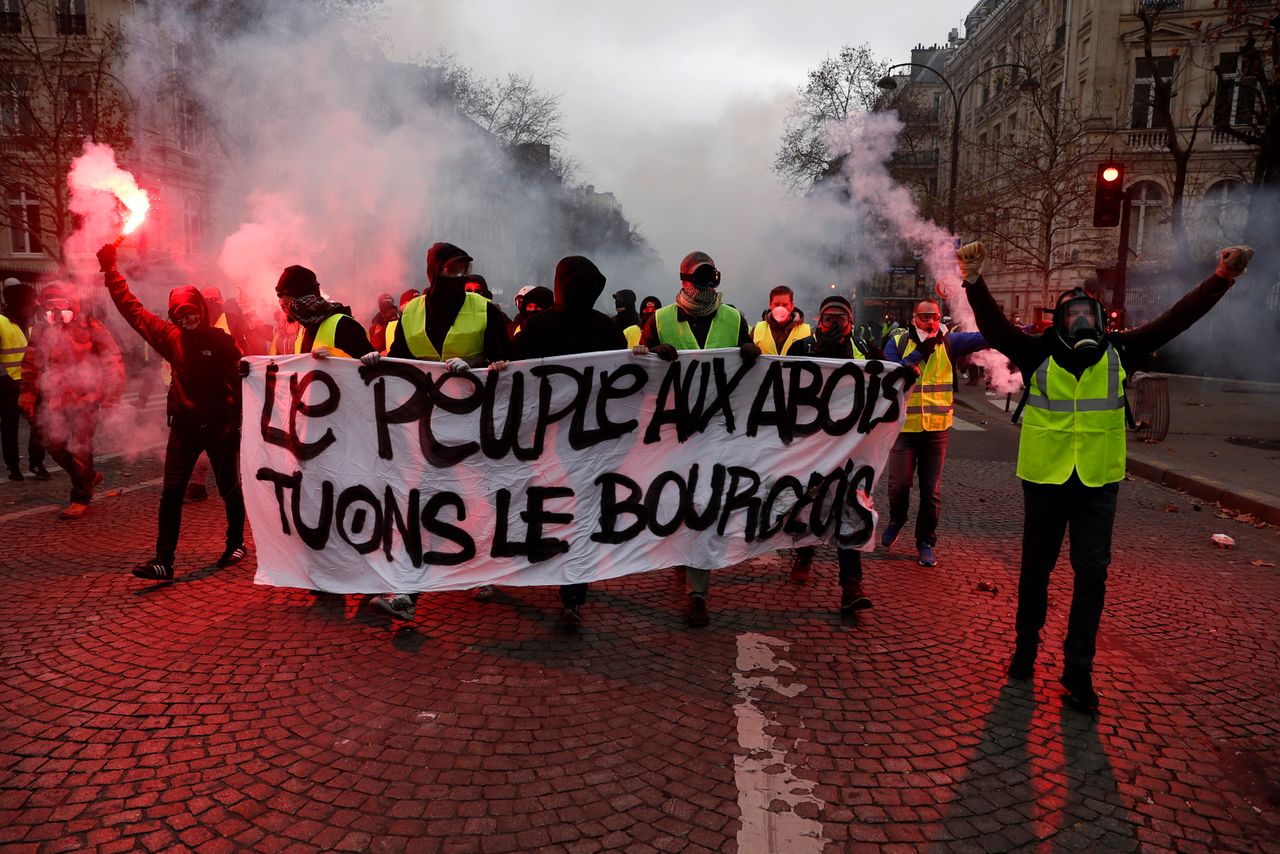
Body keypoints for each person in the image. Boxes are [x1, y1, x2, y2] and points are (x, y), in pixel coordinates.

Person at [962, 240, 1255, 713]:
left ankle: (1078, 671)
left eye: (1089, 313)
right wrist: (973, 280)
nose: (1081, 320)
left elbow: (1177, 319)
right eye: (1072, 312)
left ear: (1102, 320)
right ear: (1057, 319)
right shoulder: (1037, 351)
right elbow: (994, 328)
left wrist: (1221, 279)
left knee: (1091, 576)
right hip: (1044, 479)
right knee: (1036, 572)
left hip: (1097, 481)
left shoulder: (1123, 350)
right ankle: (1025, 650)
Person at [373, 242, 514, 619]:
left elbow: (510, 363)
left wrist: (473, 364)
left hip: (476, 425)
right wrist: (376, 363)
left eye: (464, 269)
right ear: (435, 272)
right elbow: (402, 359)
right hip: (428, 425)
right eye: (451, 270)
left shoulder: (485, 309)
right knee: (421, 504)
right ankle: (407, 592)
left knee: (481, 501)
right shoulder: (412, 311)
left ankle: (486, 568)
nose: (459, 277)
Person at [96, 244, 248, 580]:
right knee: (171, 493)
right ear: (173, 316)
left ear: (201, 310)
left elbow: (241, 382)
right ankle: (164, 560)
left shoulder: (221, 341)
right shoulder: (169, 336)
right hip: (184, 427)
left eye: (191, 312)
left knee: (228, 487)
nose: (187, 318)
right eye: (180, 314)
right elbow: (132, 310)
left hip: (219, 426)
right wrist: (110, 273)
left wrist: (235, 424)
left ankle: (236, 542)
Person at [635, 250, 760, 627]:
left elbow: (752, 367)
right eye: (697, 280)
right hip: (673, 432)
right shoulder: (658, 320)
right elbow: (634, 369)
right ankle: (684, 561)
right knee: (678, 503)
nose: (704, 288)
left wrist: (753, 352)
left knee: (703, 507)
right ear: (683, 280)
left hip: (719, 430)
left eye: (710, 280)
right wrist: (652, 353)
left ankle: (697, 593)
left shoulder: (734, 317)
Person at [516, 256, 628, 627]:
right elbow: (516, 377)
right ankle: (565, 581)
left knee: (577, 513)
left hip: (585, 441)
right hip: (552, 437)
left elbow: (625, 372)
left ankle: (573, 592)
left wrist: (648, 360)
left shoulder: (601, 326)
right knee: (558, 510)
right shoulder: (543, 326)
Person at [783, 295, 875, 612]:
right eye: (828, 321)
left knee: (849, 508)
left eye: (841, 321)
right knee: (810, 503)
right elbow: (786, 387)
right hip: (812, 442)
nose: (834, 326)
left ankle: (851, 585)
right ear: (818, 322)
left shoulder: (864, 349)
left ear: (851, 323)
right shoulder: (802, 348)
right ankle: (805, 554)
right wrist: (819, 356)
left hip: (850, 445)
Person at [881, 298, 988, 568]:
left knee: (932, 491)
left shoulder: (950, 341)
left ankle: (926, 542)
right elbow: (893, 370)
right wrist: (922, 351)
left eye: (936, 316)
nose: (931, 321)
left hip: (937, 429)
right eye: (926, 316)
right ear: (914, 317)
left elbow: (986, 337)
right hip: (905, 427)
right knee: (899, 485)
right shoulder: (898, 341)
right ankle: (897, 519)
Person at [18, 282, 124, 519]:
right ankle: (88, 477)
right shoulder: (41, 330)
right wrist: (27, 395)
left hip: (85, 399)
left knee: (80, 448)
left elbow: (112, 360)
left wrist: (111, 396)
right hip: (54, 399)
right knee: (53, 445)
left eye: (60, 303)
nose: (55, 309)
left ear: (70, 304)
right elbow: (31, 366)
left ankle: (80, 497)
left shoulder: (90, 326)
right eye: (50, 304)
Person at [275, 265, 375, 359]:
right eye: (283, 306)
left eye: (289, 304)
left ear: (305, 299)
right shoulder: (303, 331)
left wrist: (336, 357)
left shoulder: (344, 325)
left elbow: (371, 371)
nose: (288, 311)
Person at [1, 282, 35, 480]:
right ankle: (13, 466)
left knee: (39, 425)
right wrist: (5, 379)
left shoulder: (29, 323)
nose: (33, 304)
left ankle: (36, 462)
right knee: (9, 428)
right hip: (8, 386)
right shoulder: (1, 322)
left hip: (30, 384)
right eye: (29, 300)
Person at [751, 285, 812, 356]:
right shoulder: (757, 329)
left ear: (792, 306)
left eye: (785, 305)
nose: (780, 309)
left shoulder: (807, 331)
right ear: (770, 305)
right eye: (776, 305)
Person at [381, 289, 419, 355]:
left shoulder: (429, 323)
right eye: (414, 304)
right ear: (403, 308)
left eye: (421, 302)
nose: (419, 307)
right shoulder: (388, 328)